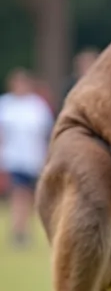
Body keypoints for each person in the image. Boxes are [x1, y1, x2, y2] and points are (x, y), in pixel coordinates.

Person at [0, 69, 54, 246]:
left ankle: (25, 230)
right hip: (14, 157)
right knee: (18, 193)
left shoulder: (36, 106)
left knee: (30, 196)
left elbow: (47, 131)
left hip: (34, 158)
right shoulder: (6, 104)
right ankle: (17, 230)